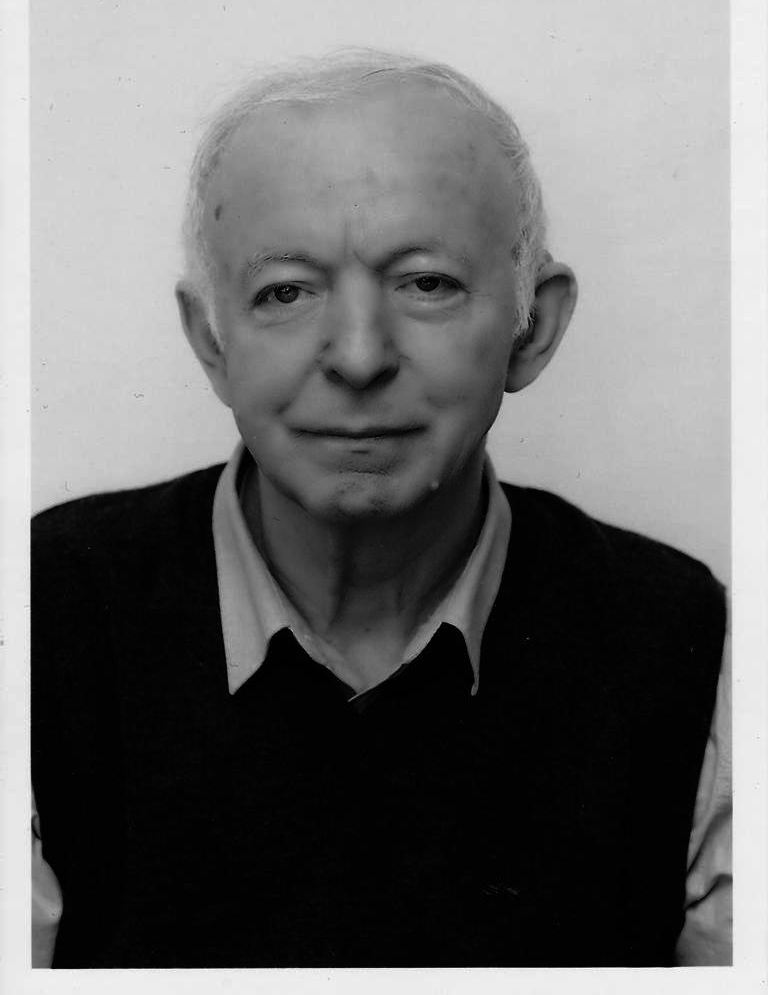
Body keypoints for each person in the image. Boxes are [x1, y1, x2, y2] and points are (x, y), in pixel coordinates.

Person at [31, 49, 731, 968]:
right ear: (211, 340)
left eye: (427, 283)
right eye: (285, 292)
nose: (359, 357)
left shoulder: (688, 641)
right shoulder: (39, 612)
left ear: (534, 326)